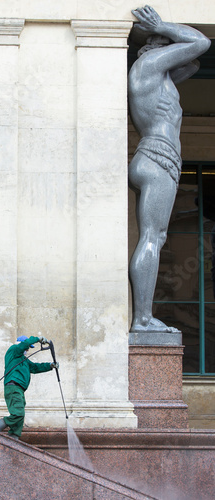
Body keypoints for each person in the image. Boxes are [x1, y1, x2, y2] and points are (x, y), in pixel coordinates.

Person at [128, 5, 210, 333]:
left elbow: (193, 64)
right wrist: (163, 24)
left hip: (156, 157)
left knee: (155, 236)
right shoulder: (149, 64)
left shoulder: (154, 75)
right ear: (164, 45)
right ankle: (143, 319)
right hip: (158, 156)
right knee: (153, 237)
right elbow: (200, 43)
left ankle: (144, 317)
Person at [0, 335, 59, 440]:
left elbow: (35, 367)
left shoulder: (24, 360)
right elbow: (23, 346)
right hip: (13, 387)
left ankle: (14, 437)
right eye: (28, 347)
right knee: (18, 413)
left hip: (19, 389)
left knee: (20, 416)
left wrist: (50, 365)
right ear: (21, 343)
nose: (28, 349)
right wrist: (37, 339)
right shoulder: (13, 350)